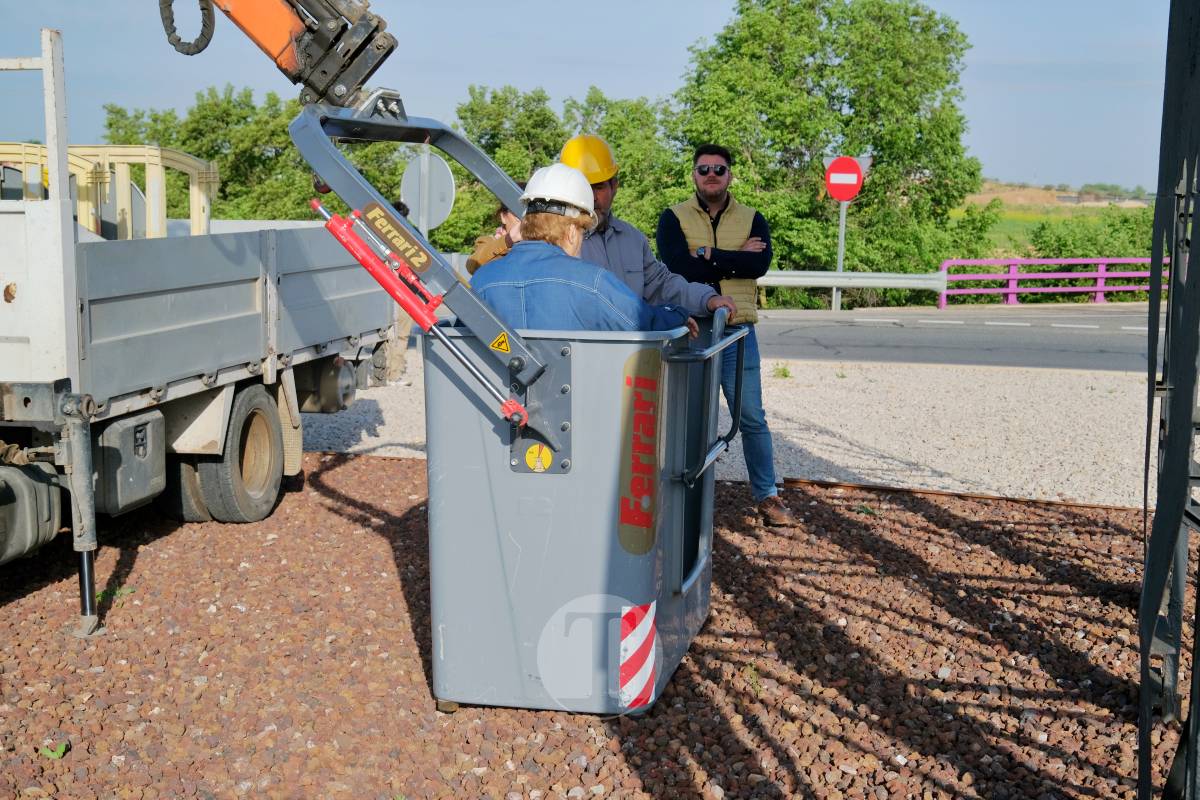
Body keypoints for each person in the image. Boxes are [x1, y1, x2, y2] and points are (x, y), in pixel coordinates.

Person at [655, 143, 796, 527]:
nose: (711, 175)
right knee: (686, 418)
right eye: (704, 169)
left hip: (737, 332)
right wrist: (734, 257)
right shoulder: (673, 217)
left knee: (751, 417)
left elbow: (759, 264)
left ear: (730, 175)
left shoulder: (753, 218)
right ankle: (679, 495)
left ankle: (767, 496)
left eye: (719, 169)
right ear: (694, 175)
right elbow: (677, 267)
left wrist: (706, 254)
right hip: (692, 329)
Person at [472, 163, 697, 335]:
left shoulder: (482, 280)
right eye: (582, 231)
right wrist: (677, 314)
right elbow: (642, 321)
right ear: (572, 231)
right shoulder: (592, 281)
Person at [558, 134, 736, 319]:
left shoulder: (632, 239)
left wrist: (707, 299)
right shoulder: (554, 239)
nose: (592, 197)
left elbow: (663, 285)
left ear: (614, 186)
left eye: (599, 187)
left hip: (631, 339)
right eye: (583, 187)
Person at [466, 191, 523, 275]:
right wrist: (508, 240)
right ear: (503, 217)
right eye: (517, 213)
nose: (523, 219)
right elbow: (473, 265)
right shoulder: (488, 241)